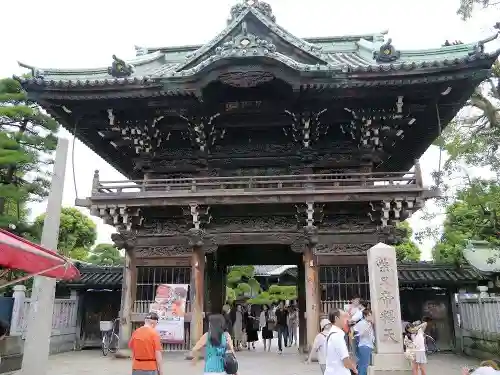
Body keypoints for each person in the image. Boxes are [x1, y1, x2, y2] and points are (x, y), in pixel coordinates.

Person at [325, 309, 357, 375]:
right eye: (344, 316)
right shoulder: (337, 335)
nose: (347, 319)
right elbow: (346, 361)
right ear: (336, 318)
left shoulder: (330, 334)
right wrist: (354, 368)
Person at [354, 309, 374, 375]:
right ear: (365, 316)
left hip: (368, 345)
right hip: (364, 346)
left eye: (371, 315)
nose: (371, 317)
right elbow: (358, 334)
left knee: (365, 365)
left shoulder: (369, 323)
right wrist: (367, 328)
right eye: (369, 315)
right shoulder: (361, 323)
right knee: (363, 365)